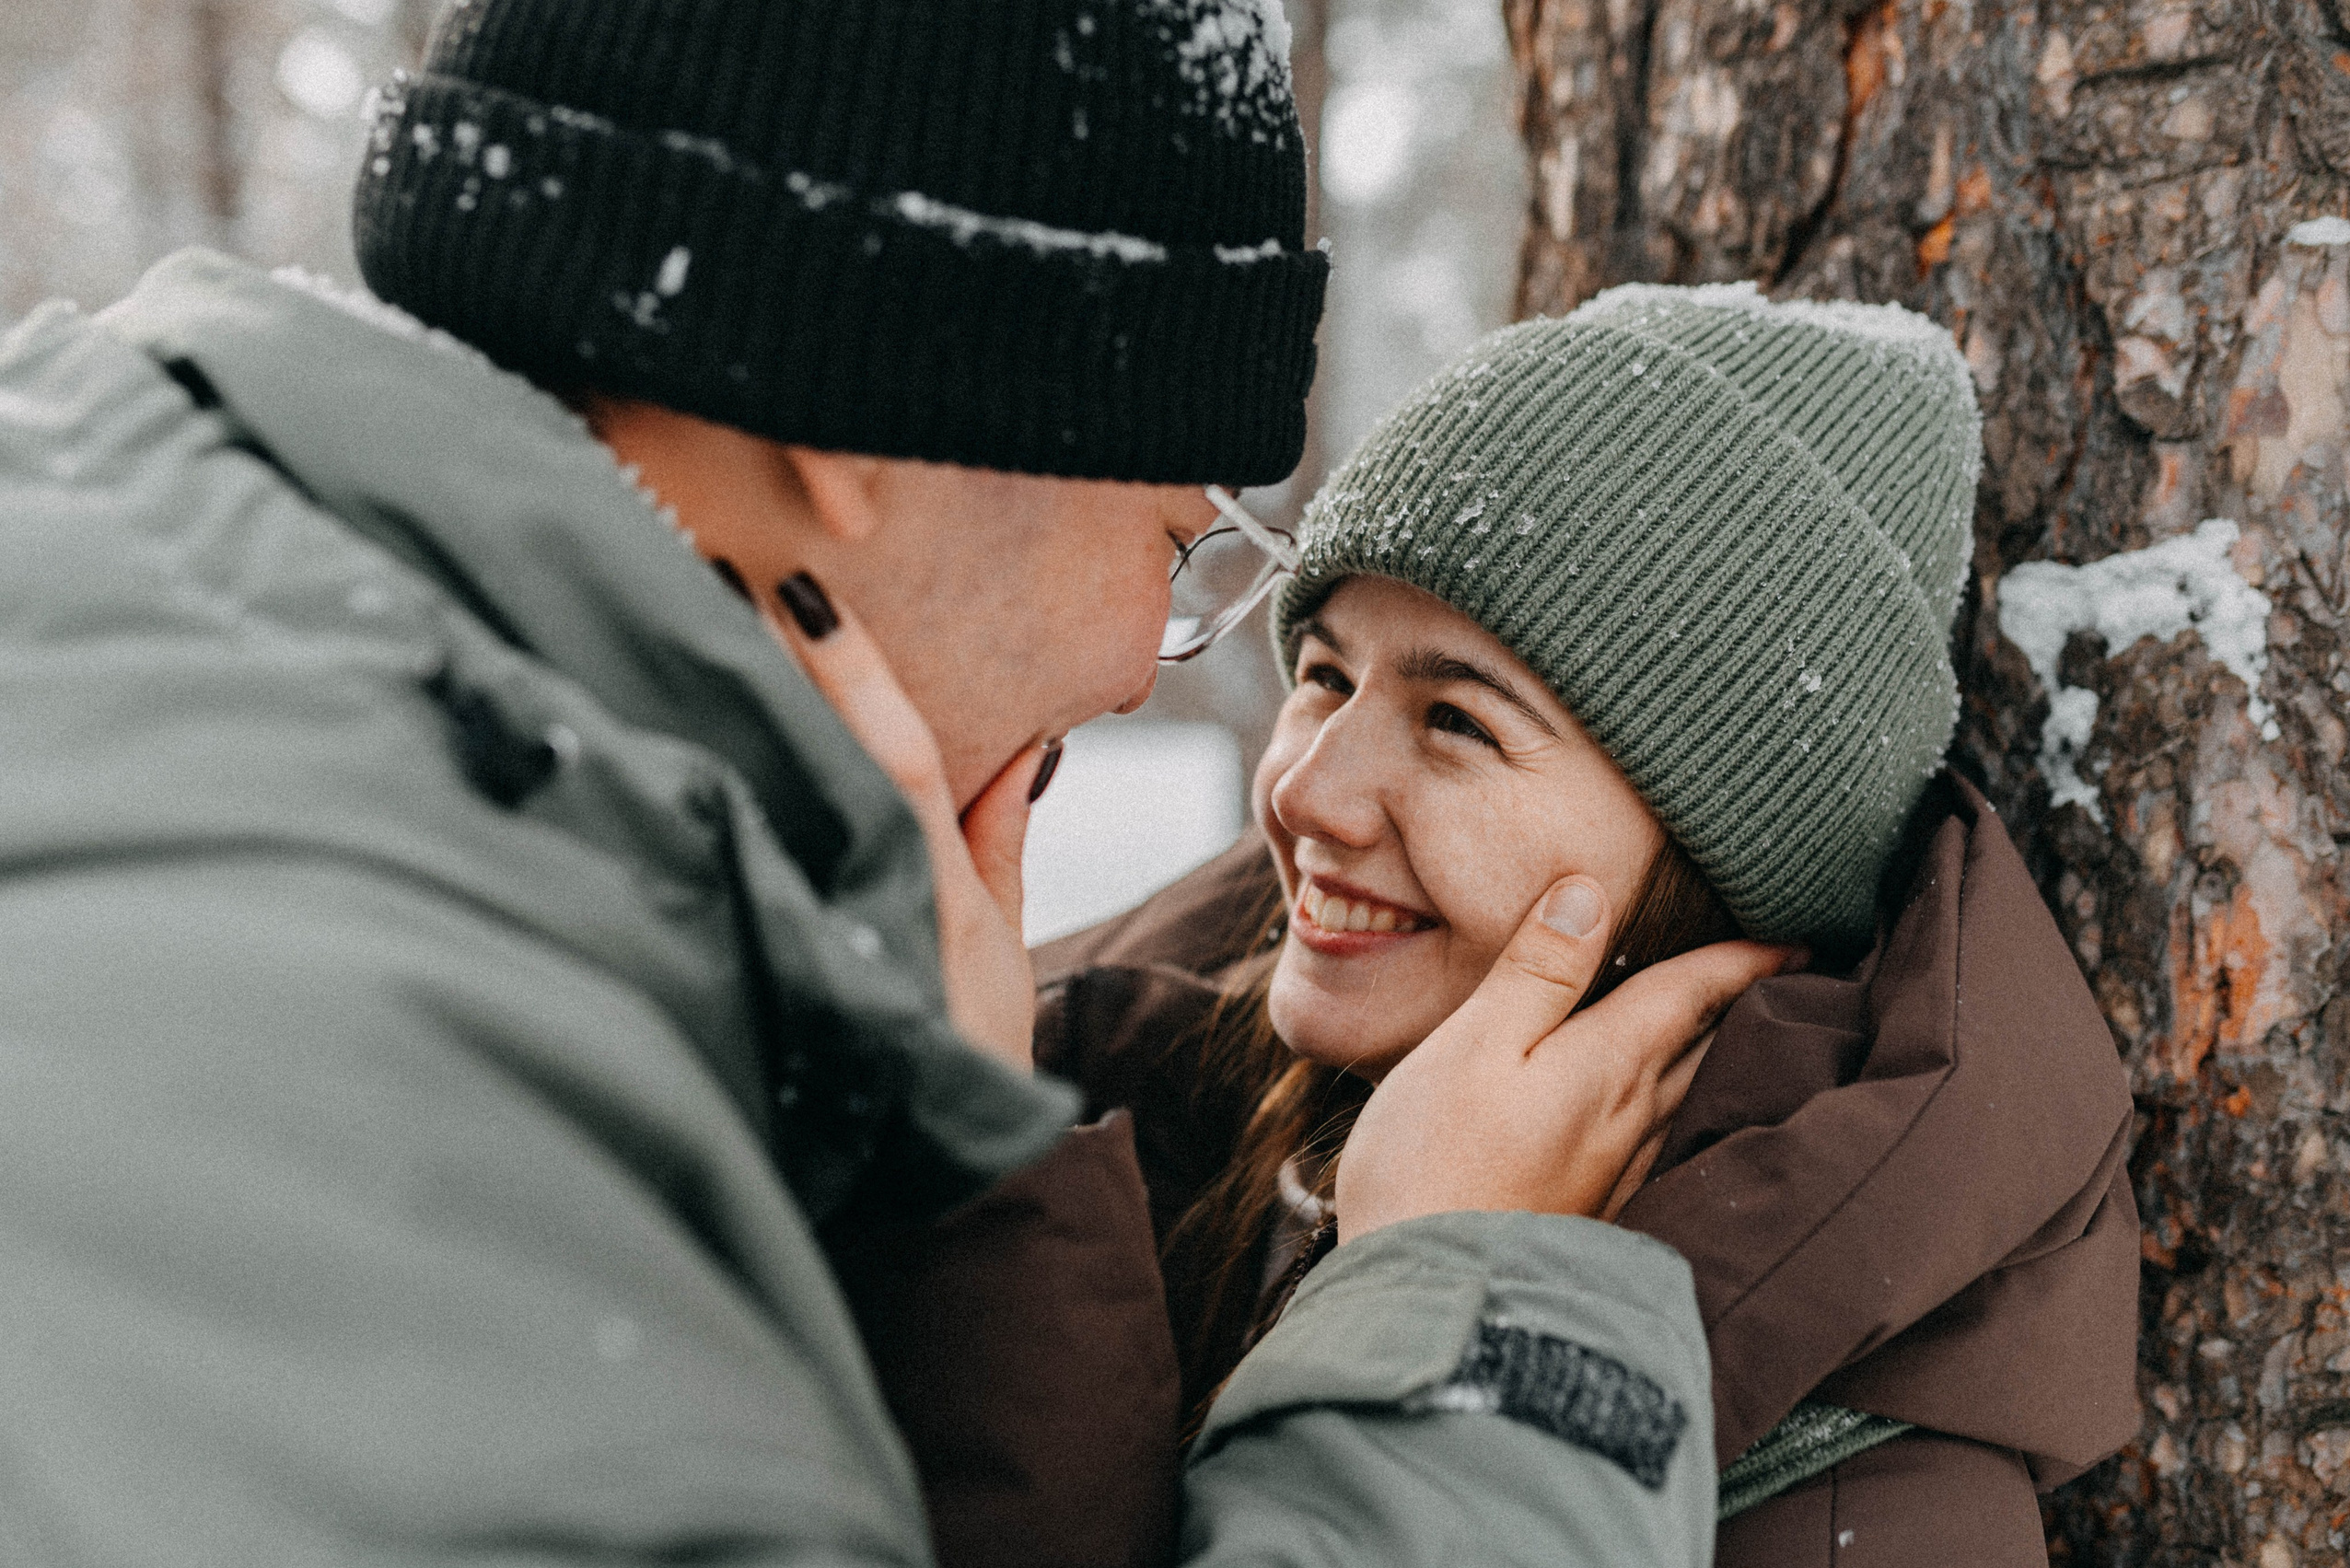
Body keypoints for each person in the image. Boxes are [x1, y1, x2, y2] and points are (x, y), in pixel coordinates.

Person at [0, 1, 1792, 1563]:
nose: (1132, 660)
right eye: (1165, 542)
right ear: (865, 434)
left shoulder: (161, 655)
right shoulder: (406, 1126)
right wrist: (1476, 1343)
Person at [1037, 285, 2142, 1565]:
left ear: (1722, 877)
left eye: (1458, 723)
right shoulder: (1136, 1107)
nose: (1303, 791)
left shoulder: (1852, 1516)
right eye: (1326, 677)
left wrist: (1439, 1287)